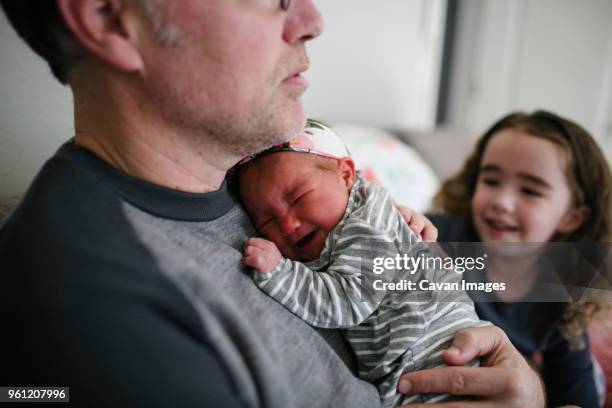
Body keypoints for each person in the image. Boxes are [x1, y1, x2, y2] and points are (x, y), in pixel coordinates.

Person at [0, 1, 544, 407]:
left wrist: (528, 390)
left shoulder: (250, 181)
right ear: (107, 18)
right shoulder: (91, 308)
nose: (312, 18)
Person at [236, 121, 487, 406]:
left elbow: (348, 301)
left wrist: (279, 272)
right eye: (266, 220)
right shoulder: (355, 212)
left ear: (346, 175)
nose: (288, 224)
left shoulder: (364, 228)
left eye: (299, 197)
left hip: (435, 354)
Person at [428, 110, 612, 407]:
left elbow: (578, 398)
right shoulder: (443, 239)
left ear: (572, 216)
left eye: (529, 190)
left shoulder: (563, 298)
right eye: (491, 180)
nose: (502, 201)